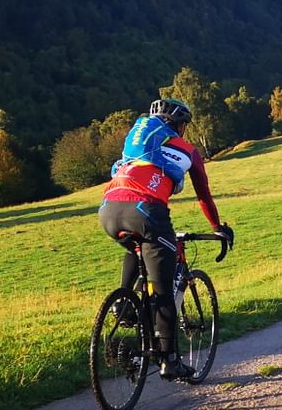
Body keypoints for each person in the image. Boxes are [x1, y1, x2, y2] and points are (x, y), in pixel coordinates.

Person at [98, 97, 234, 381]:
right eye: (184, 125)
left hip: (108, 210)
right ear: (179, 125)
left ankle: (124, 304)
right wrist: (218, 227)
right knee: (163, 292)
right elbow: (203, 195)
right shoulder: (188, 151)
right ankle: (170, 362)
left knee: (136, 246)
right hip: (146, 212)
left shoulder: (135, 148)